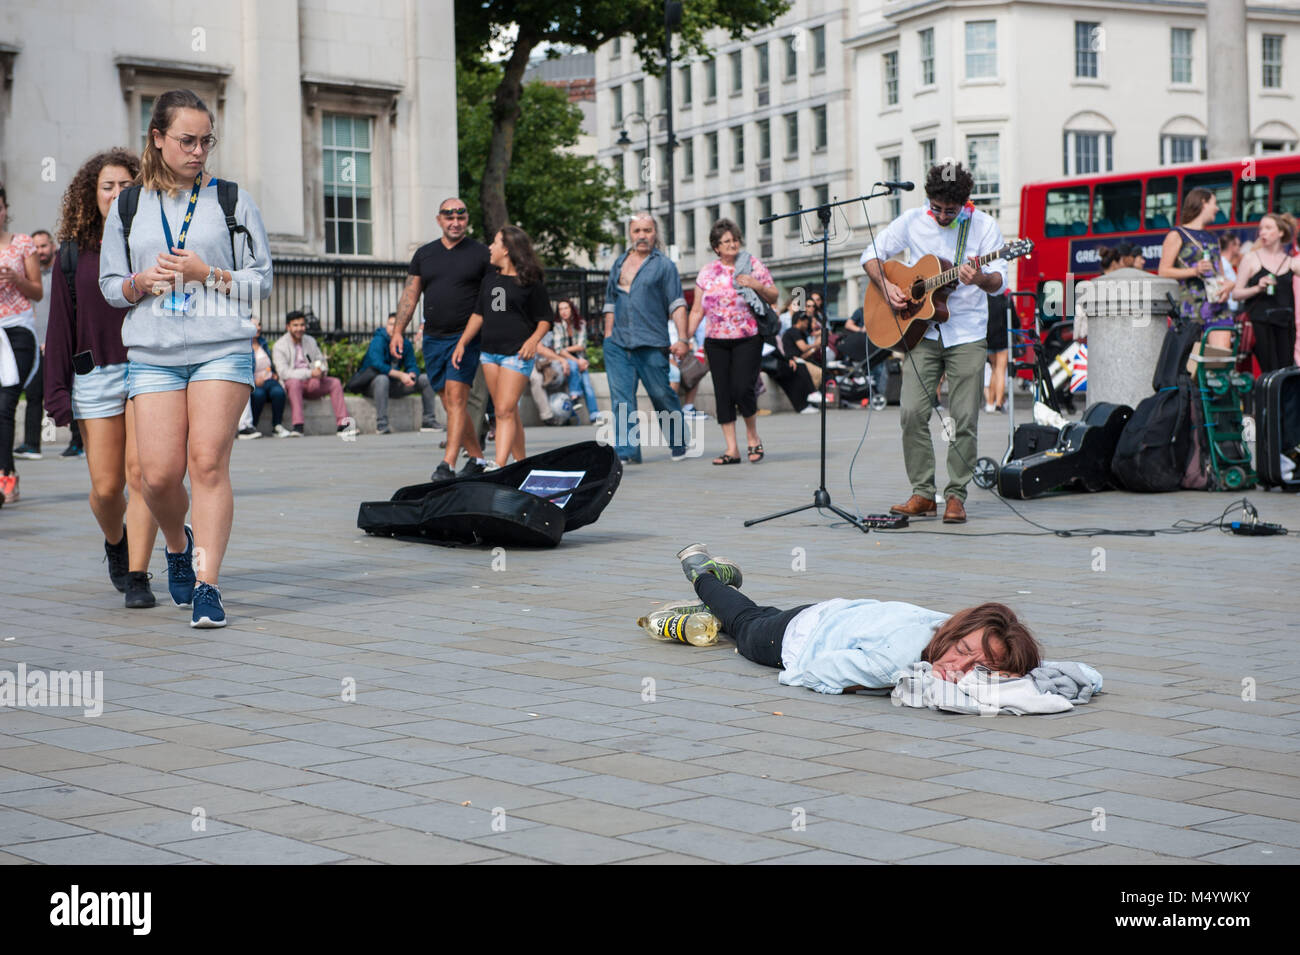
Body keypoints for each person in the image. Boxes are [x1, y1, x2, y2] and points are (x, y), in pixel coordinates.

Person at [98, 89, 273, 628]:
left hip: (220, 348)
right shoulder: (129, 206)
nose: (199, 151)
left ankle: (207, 585)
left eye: (206, 141)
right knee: (155, 477)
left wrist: (206, 273)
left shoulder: (232, 200)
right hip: (152, 352)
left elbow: (260, 282)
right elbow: (109, 285)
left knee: (206, 463)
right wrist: (138, 282)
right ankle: (178, 543)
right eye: (187, 140)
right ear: (158, 138)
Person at [675, 543, 1042, 692]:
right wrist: (872, 685)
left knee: (752, 614)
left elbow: (1076, 676)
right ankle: (703, 575)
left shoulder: (955, 626)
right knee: (744, 624)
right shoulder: (891, 664)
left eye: (982, 668)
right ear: (955, 634)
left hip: (837, 616)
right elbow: (807, 673)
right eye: (962, 651)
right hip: (789, 639)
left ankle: (713, 609)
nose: (959, 667)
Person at [862, 163, 1007, 525]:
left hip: (967, 333)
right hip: (920, 333)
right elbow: (870, 256)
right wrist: (888, 286)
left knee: (963, 417)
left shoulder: (985, 226)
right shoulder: (912, 221)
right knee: (911, 412)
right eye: (936, 207)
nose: (941, 215)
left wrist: (980, 278)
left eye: (950, 210)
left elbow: (999, 283)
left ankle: (956, 495)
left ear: (964, 203)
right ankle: (923, 493)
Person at [45, 147, 159, 606]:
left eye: (125, 186)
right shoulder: (72, 255)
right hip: (95, 376)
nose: (115, 194)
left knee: (142, 475)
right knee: (107, 488)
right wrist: (56, 394)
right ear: (90, 196)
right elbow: (59, 327)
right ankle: (117, 542)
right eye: (106, 186)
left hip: (148, 367)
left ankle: (138, 576)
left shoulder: (151, 242)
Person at [392, 198, 492, 481]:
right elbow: (410, 295)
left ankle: (446, 464)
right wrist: (398, 331)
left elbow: (494, 297)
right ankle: (477, 459)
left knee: (458, 399)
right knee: (449, 402)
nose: (455, 222)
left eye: (460, 217)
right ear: (439, 220)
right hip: (434, 338)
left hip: (466, 337)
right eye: (449, 217)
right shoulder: (425, 254)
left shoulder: (481, 254)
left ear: (466, 220)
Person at [452, 225, 551, 468]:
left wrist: (532, 341)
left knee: (504, 411)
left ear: (506, 249)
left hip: (516, 354)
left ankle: (499, 465)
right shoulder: (490, 279)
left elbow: (545, 320)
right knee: (507, 412)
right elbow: (479, 315)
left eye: (495, 243)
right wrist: (462, 343)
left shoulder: (530, 281)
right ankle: (521, 463)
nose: (490, 248)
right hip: (489, 354)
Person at [687, 219, 778, 465]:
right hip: (715, 340)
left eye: (735, 239)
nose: (732, 244)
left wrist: (756, 284)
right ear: (716, 247)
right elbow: (696, 310)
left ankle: (752, 437)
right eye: (726, 241)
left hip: (747, 337)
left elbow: (774, 295)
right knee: (723, 393)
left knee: (742, 388)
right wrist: (685, 338)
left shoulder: (751, 264)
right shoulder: (707, 272)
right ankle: (732, 449)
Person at [602, 213, 691, 464]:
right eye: (637, 230)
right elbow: (610, 303)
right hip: (618, 344)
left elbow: (677, 303)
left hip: (651, 343)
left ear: (655, 233)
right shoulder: (619, 263)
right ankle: (627, 451)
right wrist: (608, 336)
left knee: (661, 394)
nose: (642, 235)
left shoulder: (664, 266)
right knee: (621, 399)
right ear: (630, 234)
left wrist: (683, 339)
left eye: (648, 230)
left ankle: (678, 441)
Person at [0, 183, 44, 505]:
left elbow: (38, 291)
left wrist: (16, 280)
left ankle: (7, 477)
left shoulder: (22, 244)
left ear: (5, 209)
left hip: (18, 331)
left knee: (6, 404)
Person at [1158, 187, 1234, 351]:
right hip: (1190, 308)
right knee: (1191, 363)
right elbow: (1163, 271)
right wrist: (1194, 271)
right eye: (1214, 203)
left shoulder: (1213, 237)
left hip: (1217, 305)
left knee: (1220, 358)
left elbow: (1219, 274)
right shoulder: (1177, 235)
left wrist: (1229, 285)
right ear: (1203, 203)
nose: (1218, 208)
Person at [1232, 212, 1299, 375]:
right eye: (1261, 228)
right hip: (1260, 323)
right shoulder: (1250, 259)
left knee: (1286, 371)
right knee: (1269, 370)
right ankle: (1267, 400)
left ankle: (1283, 401)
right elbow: (1236, 293)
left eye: (1268, 228)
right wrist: (1258, 288)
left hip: (1285, 323)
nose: (1262, 232)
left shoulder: (1291, 262)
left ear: (1281, 233)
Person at [272, 311, 355, 437]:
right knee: (294, 383)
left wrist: (321, 370)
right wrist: (310, 373)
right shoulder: (279, 345)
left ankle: (343, 425)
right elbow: (284, 373)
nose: (299, 328)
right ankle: (298, 426)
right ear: (288, 327)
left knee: (335, 383)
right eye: (295, 325)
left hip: (314, 382)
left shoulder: (310, 341)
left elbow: (320, 360)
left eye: (302, 325)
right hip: (294, 383)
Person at [360, 311, 439, 434]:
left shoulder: (405, 344)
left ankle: (429, 421)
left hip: (394, 385)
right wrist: (401, 375)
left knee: (425, 379)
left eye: (396, 325)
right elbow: (377, 364)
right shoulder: (378, 340)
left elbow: (412, 364)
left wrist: (412, 374)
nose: (393, 328)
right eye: (391, 324)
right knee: (382, 379)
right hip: (373, 386)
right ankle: (382, 424)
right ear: (386, 325)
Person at [13, 229, 56, 460]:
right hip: (34, 344)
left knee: (66, 392)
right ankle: (32, 444)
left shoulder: (58, 274)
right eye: (36, 247)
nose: (40, 251)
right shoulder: (30, 277)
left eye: (44, 246)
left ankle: (77, 444)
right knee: (33, 394)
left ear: (52, 246)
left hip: (54, 344)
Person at [550, 299, 600, 417]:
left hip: (580, 358)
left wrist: (566, 349)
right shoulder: (557, 326)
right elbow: (558, 349)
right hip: (566, 360)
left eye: (566, 308)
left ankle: (594, 414)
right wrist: (578, 361)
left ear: (572, 309)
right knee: (572, 365)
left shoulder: (581, 323)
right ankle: (574, 395)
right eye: (560, 309)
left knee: (587, 385)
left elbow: (582, 346)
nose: (563, 311)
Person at [248, 315, 288, 436]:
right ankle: (251, 427)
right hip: (253, 382)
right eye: (254, 325)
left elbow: (269, 362)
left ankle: (277, 425)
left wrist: (274, 373)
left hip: (269, 379)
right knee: (259, 395)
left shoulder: (263, 343)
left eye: (259, 325)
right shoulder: (244, 346)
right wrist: (254, 380)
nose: (258, 328)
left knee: (279, 392)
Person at [984, 290, 1009, 413]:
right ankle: (999, 403)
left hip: (989, 339)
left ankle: (990, 402)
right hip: (1002, 339)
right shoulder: (1005, 298)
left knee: (994, 370)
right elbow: (1013, 319)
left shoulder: (985, 298)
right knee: (1000, 371)